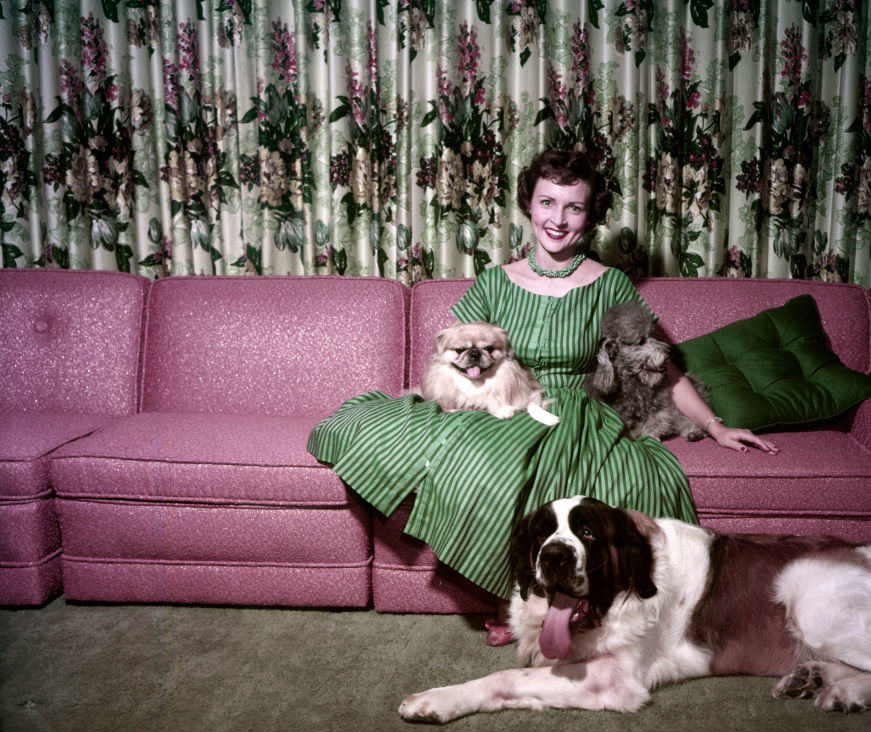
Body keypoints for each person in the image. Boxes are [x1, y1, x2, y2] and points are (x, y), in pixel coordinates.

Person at [307, 149, 777, 641]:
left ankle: (544, 601)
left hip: (574, 413)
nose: (558, 219)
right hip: (504, 405)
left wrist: (716, 426)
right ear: (529, 206)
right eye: (547, 202)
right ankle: (516, 592)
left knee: (582, 478)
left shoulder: (609, 283)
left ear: (589, 216)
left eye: (573, 207)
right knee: (473, 458)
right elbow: (455, 353)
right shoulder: (494, 281)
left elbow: (661, 368)